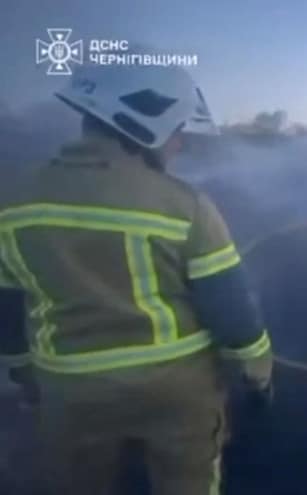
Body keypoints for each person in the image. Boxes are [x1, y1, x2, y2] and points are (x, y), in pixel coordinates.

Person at [0, 63, 272, 495]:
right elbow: (232, 311)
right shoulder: (185, 205)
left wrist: (23, 374)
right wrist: (258, 372)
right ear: (145, 123)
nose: (180, 142)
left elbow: (8, 306)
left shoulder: (13, 200)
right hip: (176, 389)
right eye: (177, 130)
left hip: (69, 390)